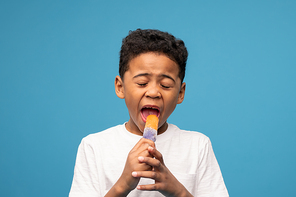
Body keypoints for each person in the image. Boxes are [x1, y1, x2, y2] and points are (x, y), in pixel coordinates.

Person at [69, 29, 229, 197]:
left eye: (165, 85)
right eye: (142, 83)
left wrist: (178, 192)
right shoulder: (94, 147)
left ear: (180, 93)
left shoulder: (197, 146)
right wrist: (122, 185)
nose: (153, 92)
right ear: (120, 87)